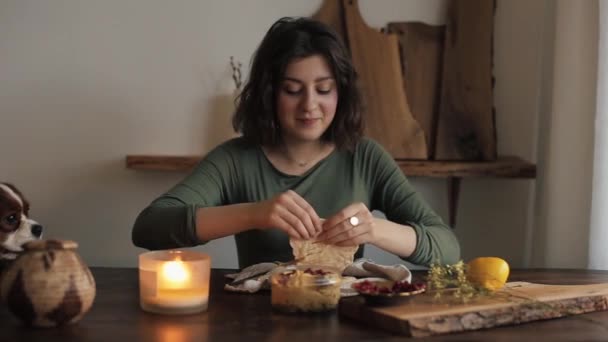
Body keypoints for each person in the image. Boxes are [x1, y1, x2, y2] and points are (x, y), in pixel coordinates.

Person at [132, 17, 460, 269]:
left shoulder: (365, 158)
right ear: (269, 93)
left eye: (323, 89)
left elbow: (447, 247)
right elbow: (149, 227)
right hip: (256, 320)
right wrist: (255, 214)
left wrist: (373, 230)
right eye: (292, 90)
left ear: (341, 93)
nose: (309, 106)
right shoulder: (235, 160)